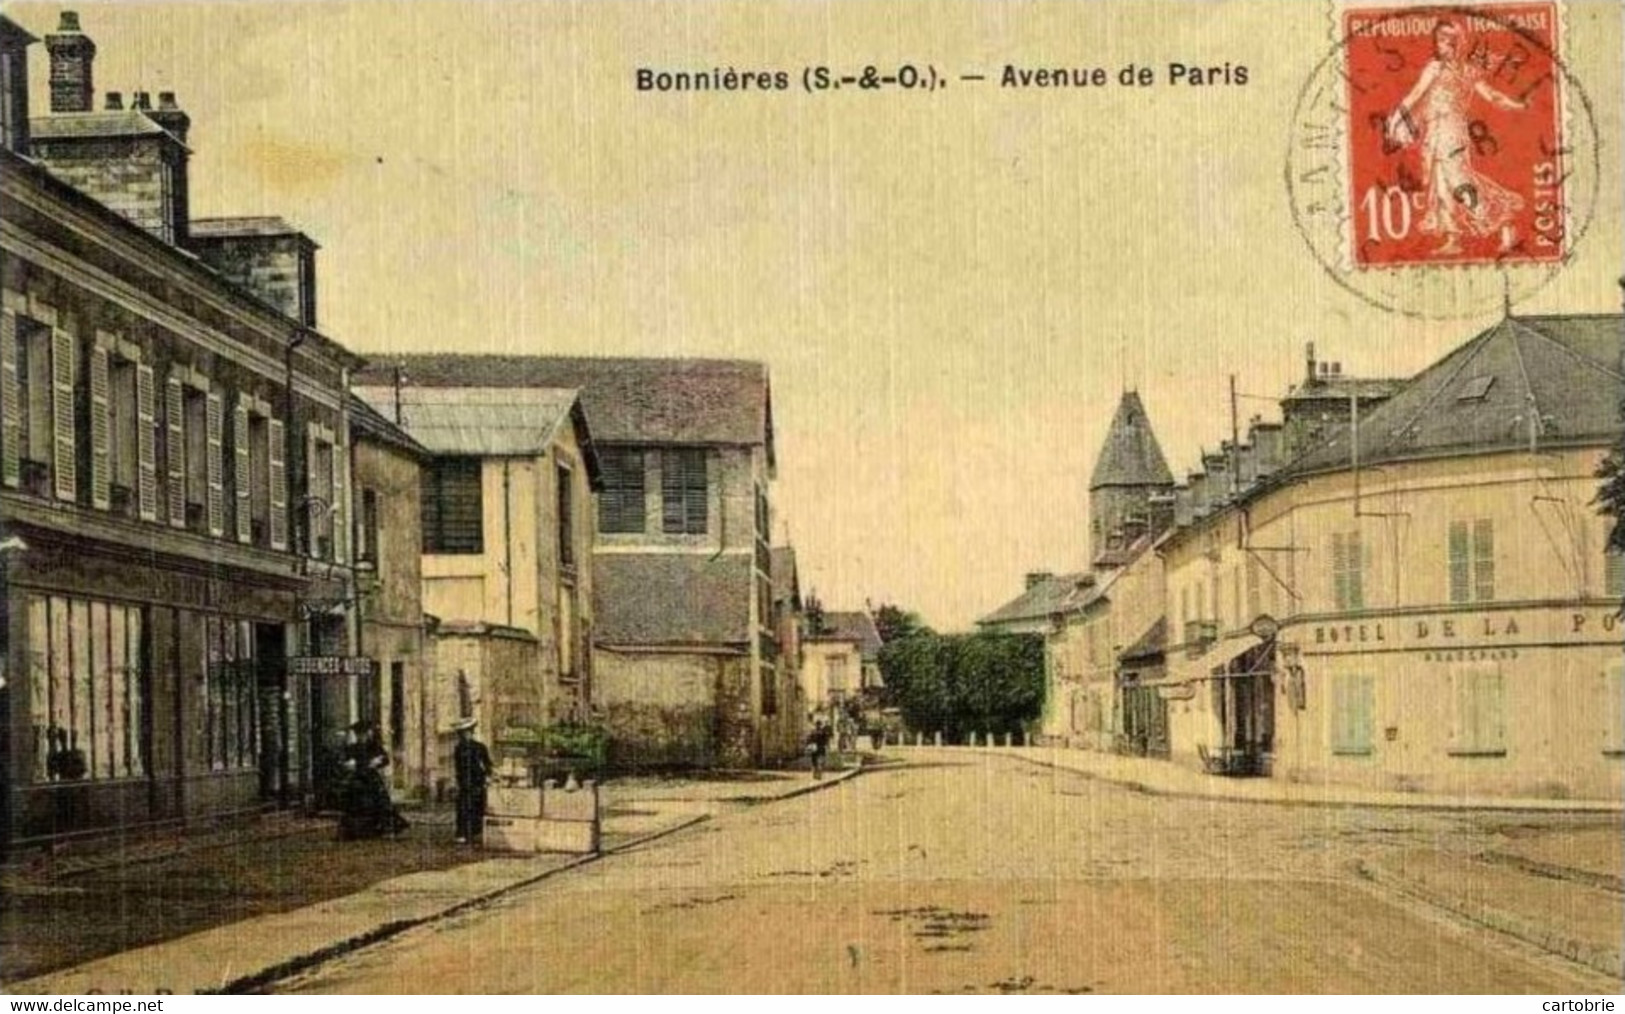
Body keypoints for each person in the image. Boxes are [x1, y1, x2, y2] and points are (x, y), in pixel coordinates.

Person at [1383, 19, 1529, 256]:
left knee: (1460, 182)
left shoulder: (1464, 71)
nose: (1444, 46)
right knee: (1440, 184)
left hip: (1451, 132)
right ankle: (1454, 239)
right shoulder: (1437, 68)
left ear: (1459, 43)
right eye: (1440, 40)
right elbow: (1415, 96)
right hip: (1434, 132)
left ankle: (1504, 222)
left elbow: (1492, 96)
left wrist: (1518, 105)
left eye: (1449, 41)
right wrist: (1395, 119)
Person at [339, 720, 409, 840]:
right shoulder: (352, 748)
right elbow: (345, 761)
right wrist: (350, 764)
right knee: (356, 804)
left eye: (364, 734)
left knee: (380, 802)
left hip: (371, 778)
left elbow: (385, 759)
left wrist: (377, 762)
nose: (362, 737)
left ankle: (383, 829)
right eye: (359, 734)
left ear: (368, 734)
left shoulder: (374, 746)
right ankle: (358, 831)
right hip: (358, 779)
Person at [452, 717, 494, 845]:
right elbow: (458, 766)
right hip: (464, 781)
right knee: (463, 807)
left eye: (467, 732)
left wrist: (487, 776)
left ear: (471, 732)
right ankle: (462, 833)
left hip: (477, 781)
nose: (465, 735)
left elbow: (487, 764)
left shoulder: (480, 747)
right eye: (462, 733)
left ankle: (474, 832)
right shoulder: (459, 748)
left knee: (477, 806)